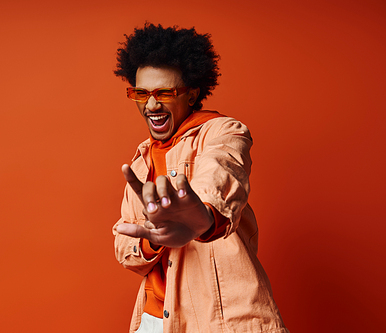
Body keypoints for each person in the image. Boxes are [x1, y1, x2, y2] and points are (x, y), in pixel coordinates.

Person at [112, 23, 289, 333]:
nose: (151, 105)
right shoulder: (139, 164)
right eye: (141, 93)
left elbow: (222, 171)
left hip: (219, 319)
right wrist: (153, 240)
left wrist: (203, 217)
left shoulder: (223, 132)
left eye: (164, 92)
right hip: (154, 320)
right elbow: (127, 253)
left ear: (192, 93)